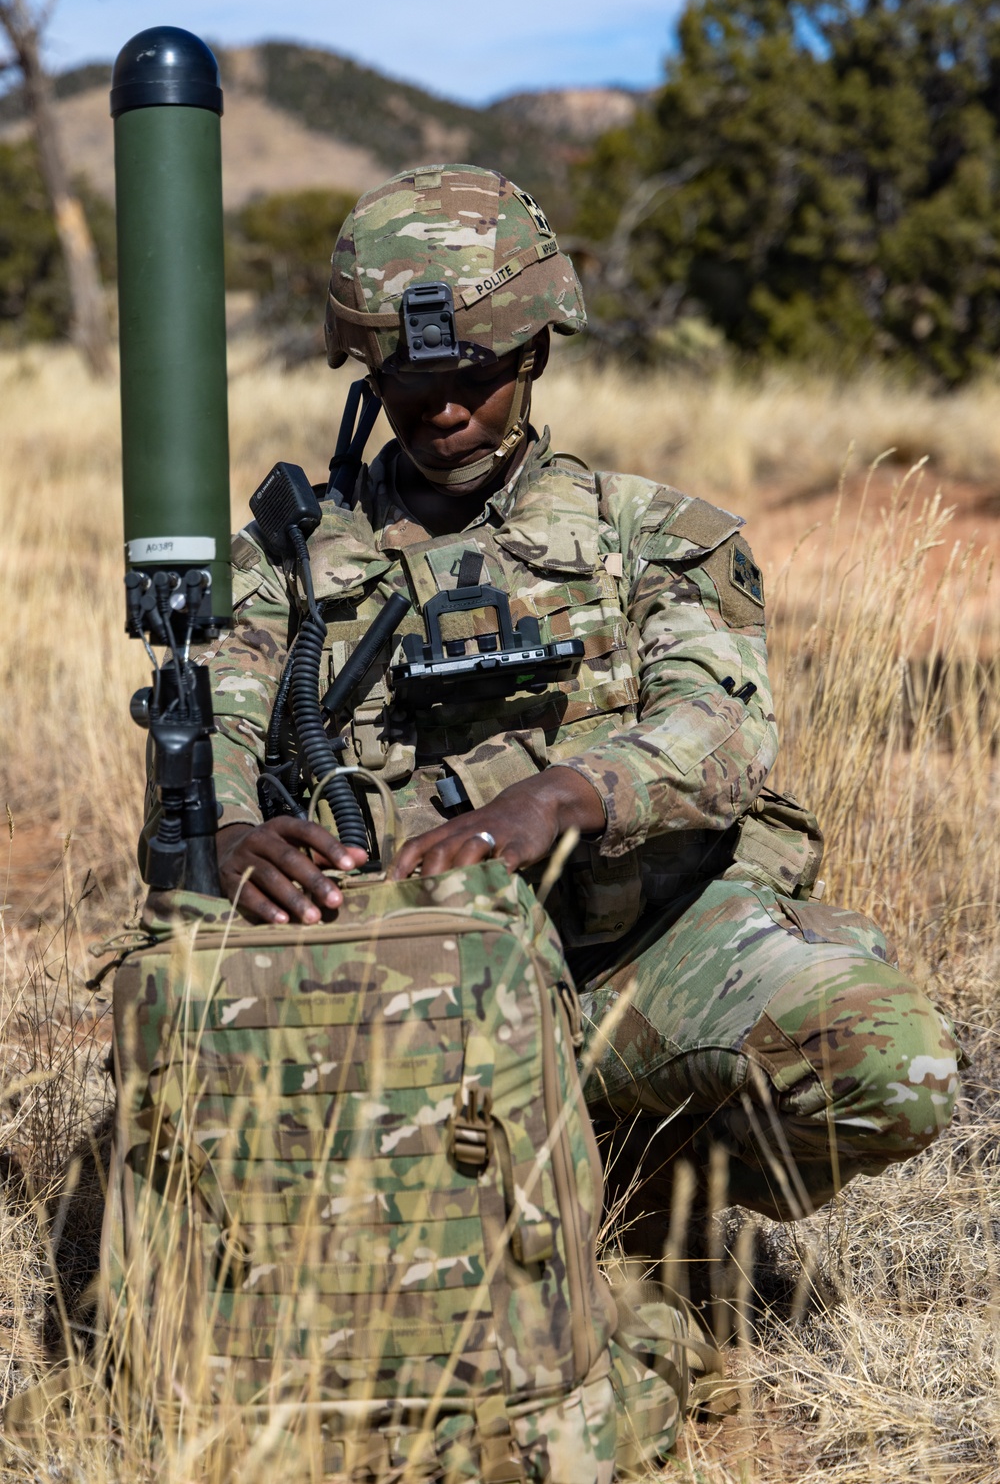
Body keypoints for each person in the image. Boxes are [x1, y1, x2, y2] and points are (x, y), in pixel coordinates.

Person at [161, 163, 960, 1281]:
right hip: (412, 979)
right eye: (407, 376)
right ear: (366, 369)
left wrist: (560, 797)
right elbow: (220, 727)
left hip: (641, 956)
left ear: (535, 348)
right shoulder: (288, 565)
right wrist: (234, 836)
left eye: (474, 372)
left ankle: (656, 1201)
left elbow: (718, 733)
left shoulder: (657, 534)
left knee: (893, 1065)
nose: (441, 407)